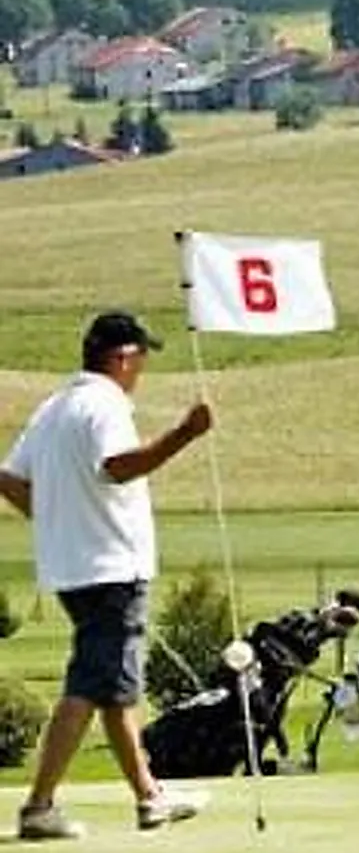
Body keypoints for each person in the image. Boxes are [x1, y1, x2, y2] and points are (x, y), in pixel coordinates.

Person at [0, 311, 213, 840]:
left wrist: (56, 520)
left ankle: (149, 797)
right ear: (122, 357)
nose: (141, 369)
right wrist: (186, 433)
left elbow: (8, 478)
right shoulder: (106, 403)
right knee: (92, 684)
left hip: (71, 567)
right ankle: (39, 806)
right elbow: (118, 466)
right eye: (140, 357)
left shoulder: (54, 407)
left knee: (116, 689)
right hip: (112, 568)